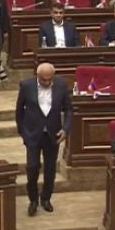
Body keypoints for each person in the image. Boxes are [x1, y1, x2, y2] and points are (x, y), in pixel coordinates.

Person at [15, 62, 72, 216]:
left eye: (49, 79)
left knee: (50, 168)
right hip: (33, 134)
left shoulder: (61, 85)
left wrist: (65, 129)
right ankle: (33, 199)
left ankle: (46, 198)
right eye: (43, 79)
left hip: (53, 134)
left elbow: (68, 109)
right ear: (37, 76)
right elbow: (19, 111)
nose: (47, 82)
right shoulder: (26, 86)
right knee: (32, 167)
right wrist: (23, 132)